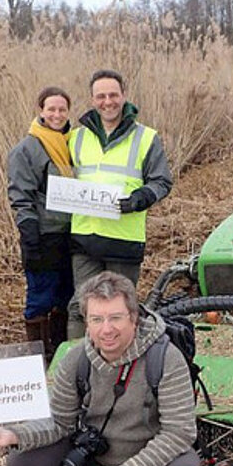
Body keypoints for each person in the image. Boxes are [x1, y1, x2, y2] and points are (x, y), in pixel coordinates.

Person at [0, 271, 201, 466]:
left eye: (116, 318)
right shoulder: (75, 359)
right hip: (95, 452)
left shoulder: (165, 358)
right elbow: (59, 422)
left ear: (134, 318)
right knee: (22, 463)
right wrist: (12, 434)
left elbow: (179, 432)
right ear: (86, 322)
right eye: (97, 319)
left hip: (149, 451)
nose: (107, 329)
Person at [65, 69, 173, 339]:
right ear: (92, 100)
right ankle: (76, 367)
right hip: (84, 239)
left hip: (123, 240)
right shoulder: (76, 137)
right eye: (100, 96)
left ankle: (124, 369)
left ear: (124, 96)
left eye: (113, 95)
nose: (107, 101)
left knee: (120, 310)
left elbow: (162, 182)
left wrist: (138, 199)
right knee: (82, 307)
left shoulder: (146, 137)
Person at [7, 85, 76, 360]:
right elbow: (20, 195)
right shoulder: (26, 149)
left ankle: (60, 351)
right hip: (43, 234)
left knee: (66, 295)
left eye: (62, 109)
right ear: (41, 111)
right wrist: (29, 234)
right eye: (51, 109)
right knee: (40, 297)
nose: (57, 115)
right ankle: (39, 355)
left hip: (73, 233)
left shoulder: (76, 143)